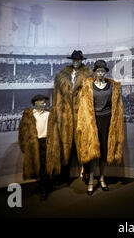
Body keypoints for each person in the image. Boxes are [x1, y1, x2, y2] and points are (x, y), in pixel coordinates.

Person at [76, 59, 124, 196]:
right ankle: (91, 181)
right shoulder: (88, 86)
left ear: (105, 72)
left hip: (108, 120)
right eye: (98, 71)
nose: (101, 73)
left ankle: (102, 178)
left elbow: (117, 106)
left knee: (104, 151)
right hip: (93, 121)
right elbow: (83, 107)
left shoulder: (112, 87)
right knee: (93, 153)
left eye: (103, 71)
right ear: (95, 72)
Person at [50, 50, 94, 184]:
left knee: (83, 144)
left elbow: (91, 96)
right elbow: (57, 96)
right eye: (74, 59)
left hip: (82, 114)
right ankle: (64, 175)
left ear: (81, 61)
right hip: (65, 116)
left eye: (78, 60)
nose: (76, 62)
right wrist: (57, 112)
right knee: (65, 145)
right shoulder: (62, 76)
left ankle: (87, 174)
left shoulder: (89, 75)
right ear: (71, 60)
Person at [18, 95, 60, 201]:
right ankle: (43, 187)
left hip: (46, 143)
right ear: (35, 102)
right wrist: (24, 146)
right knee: (37, 166)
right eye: (42, 102)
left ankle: (44, 189)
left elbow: (55, 131)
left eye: (45, 102)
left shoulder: (49, 114)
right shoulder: (29, 115)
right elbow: (22, 132)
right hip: (34, 144)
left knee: (46, 165)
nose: (44, 104)